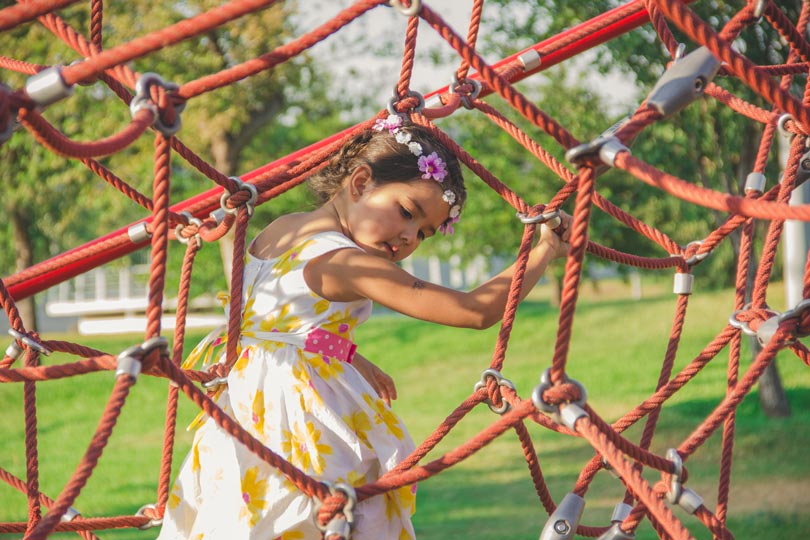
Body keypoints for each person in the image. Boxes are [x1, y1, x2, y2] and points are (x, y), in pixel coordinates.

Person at [157, 116, 571, 540]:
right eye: (407, 212)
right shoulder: (348, 263)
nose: (408, 237)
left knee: (246, 518)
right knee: (328, 516)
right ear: (359, 183)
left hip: (242, 415)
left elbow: (279, 327)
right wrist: (543, 251)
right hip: (301, 428)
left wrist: (349, 355)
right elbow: (473, 310)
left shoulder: (280, 229)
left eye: (424, 233)